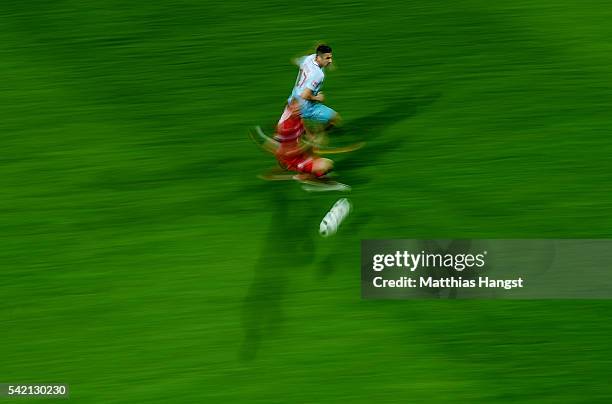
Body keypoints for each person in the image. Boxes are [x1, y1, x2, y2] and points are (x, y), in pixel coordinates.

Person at [286, 44, 339, 129]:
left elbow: (296, 61)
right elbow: (305, 95)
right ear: (319, 57)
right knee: (334, 118)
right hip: (305, 107)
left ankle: (300, 127)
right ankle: (316, 135)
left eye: (330, 57)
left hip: (293, 99)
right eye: (327, 58)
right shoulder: (318, 74)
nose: (330, 61)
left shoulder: (309, 58)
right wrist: (318, 98)